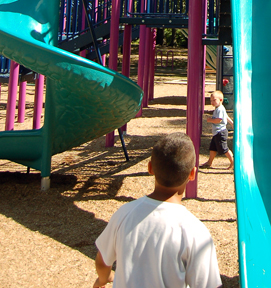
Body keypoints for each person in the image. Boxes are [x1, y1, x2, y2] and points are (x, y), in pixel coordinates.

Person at [93, 133, 222, 288]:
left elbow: (102, 262)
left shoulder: (123, 214)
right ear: (193, 174)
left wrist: (103, 279)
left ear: (150, 168)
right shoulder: (195, 231)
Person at [200, 90, 234, 170]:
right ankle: (209, 162)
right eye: (211, 100)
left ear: (221, 100)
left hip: (220, 132)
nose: (212, 102)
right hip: (217, 132)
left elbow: (219, 120)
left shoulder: (219, 109)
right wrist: (232, 123)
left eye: (214, 100)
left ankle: (233, 162)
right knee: (213, 147)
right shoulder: (219, 108)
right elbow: (226, 116)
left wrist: (210, 120)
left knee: (224, 148)